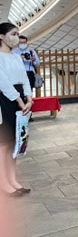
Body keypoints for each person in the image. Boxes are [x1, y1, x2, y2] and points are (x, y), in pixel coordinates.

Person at [0, 22, 33, 197]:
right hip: (5, 100)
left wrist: (29, 98)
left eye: (18, 34)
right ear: (1, 36)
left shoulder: (16, 56)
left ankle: (12, 180)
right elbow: (3, 82)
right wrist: (19, 99)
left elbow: (25, 78)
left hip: (19, 99)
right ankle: (3, 183)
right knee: (3, 144)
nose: (17, 38)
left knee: (14, 143)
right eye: (13, 34)